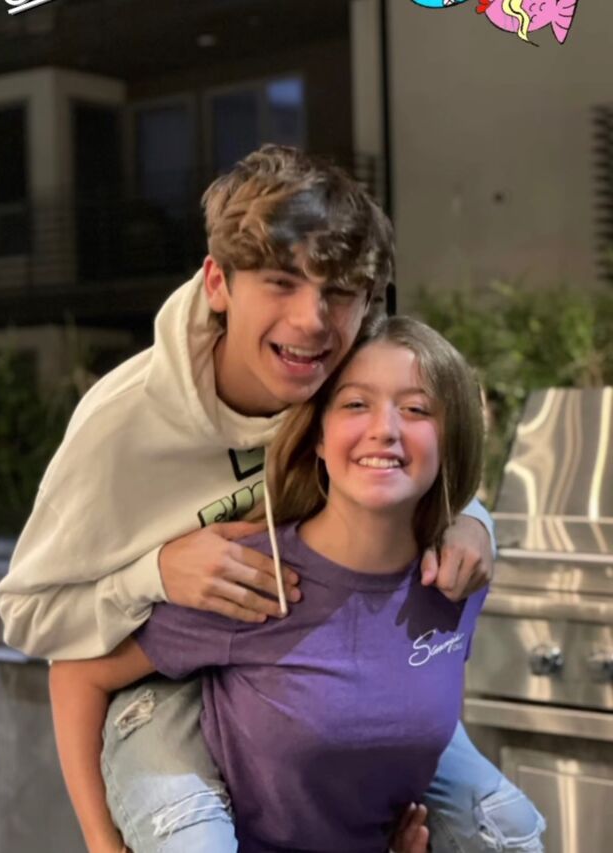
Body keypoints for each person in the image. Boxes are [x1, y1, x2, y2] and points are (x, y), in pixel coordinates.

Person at [0, 146, 541, 852]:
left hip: (321, 680)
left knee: (504, 827)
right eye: (281, 282)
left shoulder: (339, 372)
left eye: (339, 292)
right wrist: (155, 574)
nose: (312, 319)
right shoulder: (121, 426)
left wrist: (472, 519)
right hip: (169, 679)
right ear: (217, 282)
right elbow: (28, 617)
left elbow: (415, 450)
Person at [49, 314, 487, 853]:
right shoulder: (252, 575)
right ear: (318, 436)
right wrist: (101, 842)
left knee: (508, 831)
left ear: (451, 437)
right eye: (355, 404)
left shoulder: (458, 577)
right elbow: (77, 674)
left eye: (416, 409)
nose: (385, 429)